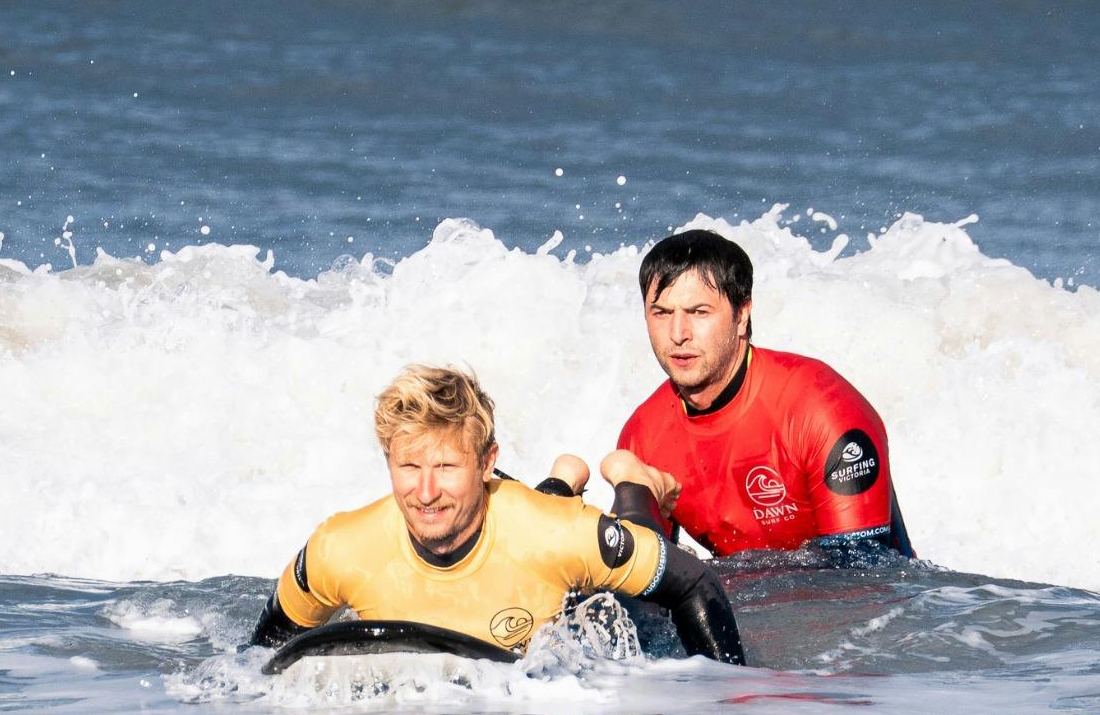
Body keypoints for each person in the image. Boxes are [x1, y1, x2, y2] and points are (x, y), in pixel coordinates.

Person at [249, 364, 745, 664]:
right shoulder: (338, 550)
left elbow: (692, 583)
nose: (424, 492)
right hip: (522, 522)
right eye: (409, 466)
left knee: (632, 584)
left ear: (488, 462)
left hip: (570, 589)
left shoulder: (557, 536)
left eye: (445, 465)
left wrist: (722, 711)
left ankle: (635, 480)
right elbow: (262, 656)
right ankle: (562, 480)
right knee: (521, 515)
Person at [608, 229, 914, 560]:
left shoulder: (820, 406)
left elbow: (863, 581)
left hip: (875, 604)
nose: (678, 334)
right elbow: (645, 581)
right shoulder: (643, 437)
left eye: (699, 312)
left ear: (742, 315)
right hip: (743, 606)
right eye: (662, 313)